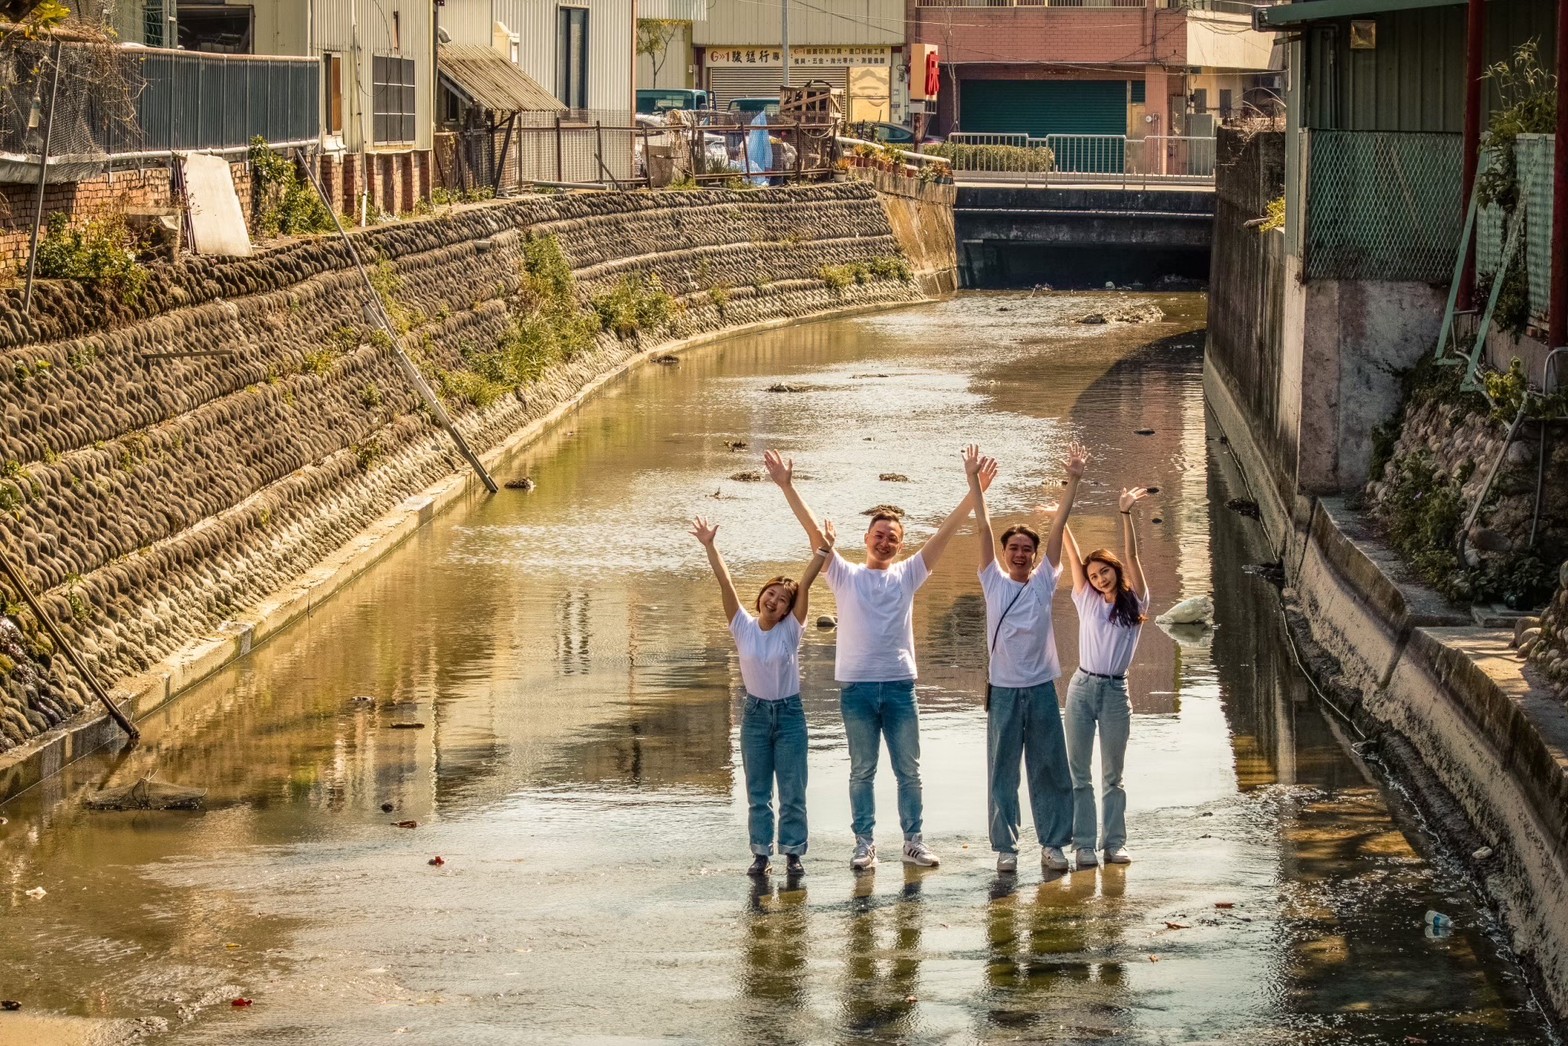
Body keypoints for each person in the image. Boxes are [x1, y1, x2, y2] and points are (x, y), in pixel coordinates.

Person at [763, 448, 994, 872]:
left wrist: (974, 488)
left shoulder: (908, 573)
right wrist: (786, 485)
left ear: (900, 544)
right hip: (857, 688)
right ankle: (865, 844)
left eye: (893, 537)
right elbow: (814, 534)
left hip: (900, 685)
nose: (885, 541)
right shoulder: (845, 574)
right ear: (866, 538)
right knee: (862, 771)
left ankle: (912, 842)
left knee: (909, 771)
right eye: (879, 534)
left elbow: (946, 533)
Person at [690, 513, 836, 877]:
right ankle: (760, 855)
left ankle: (793, 853)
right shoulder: (741, 625)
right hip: (754, 716)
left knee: (792, 792)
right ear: (761, 596)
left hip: (789, 716)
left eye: (783, 599)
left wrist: (824, 550)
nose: (774, 600)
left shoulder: (792, 631)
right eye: (771, 593)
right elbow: (724, 581)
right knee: (758, 793)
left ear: (789, 608)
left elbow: (806, 583)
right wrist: (710, 545)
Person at [966, 442, 1085, 875]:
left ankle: (1053, 843)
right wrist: (974, 486)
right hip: (1002, 691)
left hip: (1039, 688)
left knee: (1049, 766)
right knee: (1002, 772)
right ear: (1004, 553)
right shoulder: (993, 581)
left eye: (1026, 549)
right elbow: (981, 529)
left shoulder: (1043, 583)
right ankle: (1006, 847)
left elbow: (1058, 528)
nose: (1019, 553)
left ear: (1034, 556)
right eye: (1012, 547)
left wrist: (1073, 478)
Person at [1061, 485, 1151, 869]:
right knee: (1079, 775)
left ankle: (1114, 843)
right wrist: (1060, 520)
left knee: (1113, 775)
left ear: (1114, 570)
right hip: (1081, 689)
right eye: (1093, 575)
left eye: (1104, 572)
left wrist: (1125, 513)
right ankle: (1083, 844)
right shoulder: (1086, 600)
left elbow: (1131, 554)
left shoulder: (1137, 602)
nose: (1098, 578)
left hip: (1115, 692)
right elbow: (1072, 553)